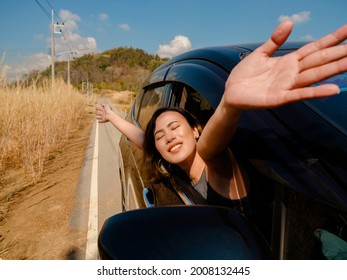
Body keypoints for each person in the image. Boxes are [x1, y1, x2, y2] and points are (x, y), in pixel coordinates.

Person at [96, 20, 347, 214]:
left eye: (174, 127)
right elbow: (142, 138)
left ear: (196, 129)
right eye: (160, 136)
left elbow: (210, 150)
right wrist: (111, 115)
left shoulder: (215, 164)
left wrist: (228, 105)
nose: (168, 136)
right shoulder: (173, 162)